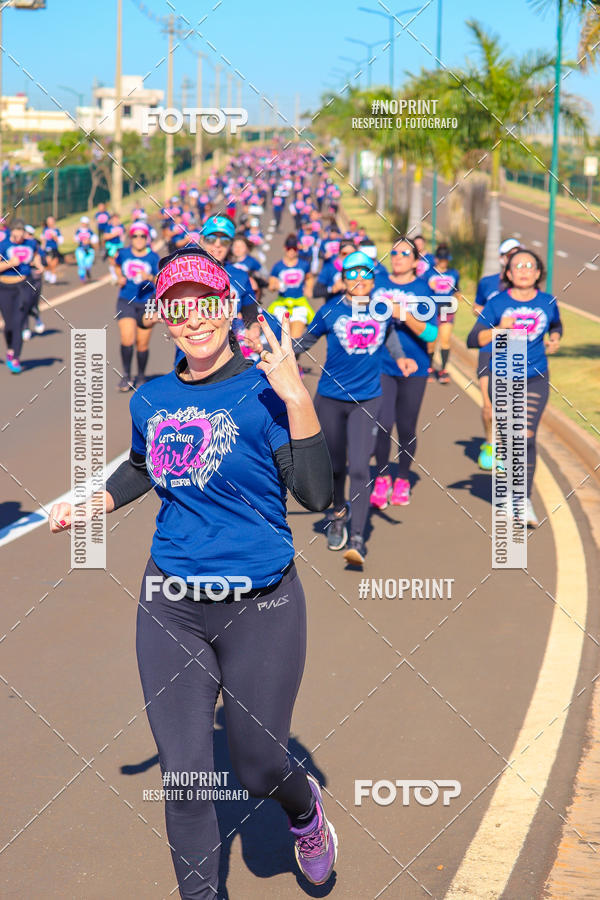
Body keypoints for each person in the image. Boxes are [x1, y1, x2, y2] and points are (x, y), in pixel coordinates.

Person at [49, 246, 338, 897]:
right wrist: (95, 501)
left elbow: (318, 496)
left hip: (260, 604)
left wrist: (295, 394)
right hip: (171, 603)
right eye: (178, 308)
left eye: (205, 303)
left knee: (260, 766)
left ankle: (304, 811)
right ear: (164, 319)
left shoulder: (264, 392)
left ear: (228, 307)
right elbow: (143, 465)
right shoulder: (152, 398)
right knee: (185, 780)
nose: (194, 319)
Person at [294, 250, 413, 566]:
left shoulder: (382, 309)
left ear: (373, 279)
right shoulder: (330, 310)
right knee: (334, 467)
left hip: (367, 399)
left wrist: (399, 357)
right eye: (352, 274)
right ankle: (337, 515)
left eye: (366, 274)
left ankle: (358, 539)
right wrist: (279, 357)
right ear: (343, 279)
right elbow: (305, 341)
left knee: (360, 467)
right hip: (330, 399)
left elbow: (389, 335)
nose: (359, 280)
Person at [467, 248, 562, 527]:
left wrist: (554, 338)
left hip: (535, 376)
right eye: (517, 266)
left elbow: (556, 324)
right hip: (503, 377)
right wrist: (499, 330)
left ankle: (523, 500)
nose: (523, 270)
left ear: (537, 273)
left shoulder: (547, 302)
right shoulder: (497, 304)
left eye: (529, 266)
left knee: (526, 435)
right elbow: (474, 339)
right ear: (508, 273)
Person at [369, 238, 438, 510]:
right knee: (383, 423)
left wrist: (403, 314)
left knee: (406, 426)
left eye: (404, 253)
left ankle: (402, 478)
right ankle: (383, 477)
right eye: (394, 252)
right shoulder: (378, 285)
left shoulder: (424, 290)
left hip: (415, 367)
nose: (397, 257)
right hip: (382, 365)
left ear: (416, 261)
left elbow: (432, 334)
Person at [472, 238, 522, 470]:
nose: (514, 258)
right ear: (502, 259)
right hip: (488, 349)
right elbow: (477, 307)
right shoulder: (487, 283)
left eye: (518, 254)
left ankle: (502, 450)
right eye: (510, 254)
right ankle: (490, 444)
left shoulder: (526, 288)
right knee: (489, 407)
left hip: (513, 350)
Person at [114, 222, 160, 391]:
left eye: (142, 236)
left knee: (142, 343)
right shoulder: (124, 253)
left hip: (148, 303)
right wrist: (119, 277)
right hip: (126, 300)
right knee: (127, 338)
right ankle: (126, 376)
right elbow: (117, 265)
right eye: (135, 235)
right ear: (130, 237)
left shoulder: (153, 257)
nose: (139, 239)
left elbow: (161, 280)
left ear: (147, 238)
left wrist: (148, 276)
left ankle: (141, 376)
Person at [0, 218, 43, 374]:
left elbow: (36, 254)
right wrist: (9, 264)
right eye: (16, 235)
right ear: (11, 232)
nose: (19, 238)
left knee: (19, 322)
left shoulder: (30, 243)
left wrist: (38, 264)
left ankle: (16, 357)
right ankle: (11, 349)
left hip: (23, 285)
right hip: (4, 287)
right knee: (9, 324)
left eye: (21, 235)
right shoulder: (3, 245)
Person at [426, 243, 460, 384]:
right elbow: (421, 292)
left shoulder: (453, 273)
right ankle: (429, 368)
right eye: (442, 259)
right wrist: (429, 288)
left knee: (445, 340)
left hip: (447, 309)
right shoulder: (429, 274)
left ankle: (443, 370)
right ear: (437, 259)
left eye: (446, 259)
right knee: (431, 342)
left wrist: (458, 296)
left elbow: (457, 289)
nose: (444, 262)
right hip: (432, 310)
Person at [268, 235, 314, 340]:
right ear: (285, 248)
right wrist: (276, 286)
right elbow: (271, 286)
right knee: (280, 335)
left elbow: (309, 277)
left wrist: (309, 288)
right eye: (289, 248)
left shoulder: (304, 265)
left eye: (294, 248)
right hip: (282, 303)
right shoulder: (278, 266)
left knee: (295, 339)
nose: (292, 251)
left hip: (299, 302)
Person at [40, 215, 63, 284]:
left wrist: (54, 236)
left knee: (53, 263)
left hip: (54, 248)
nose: (50, 223)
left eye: (51, 221)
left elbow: (60, 241)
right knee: (48, 262)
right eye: (48, 221)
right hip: (47, 249)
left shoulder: (56, 230)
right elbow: (43, 239)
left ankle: (53, 276)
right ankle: (48, 273)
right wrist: (42, 246)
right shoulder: (45, 230)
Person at [74, 217, 98, 282]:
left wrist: (89, 241)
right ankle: (82, 277)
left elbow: (95, 240)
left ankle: (87, 271)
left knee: (88, 263)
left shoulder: (90, 231)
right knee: (81, 263)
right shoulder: (78, 231)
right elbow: (75, 239)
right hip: (81, 249)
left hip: (89, 249)